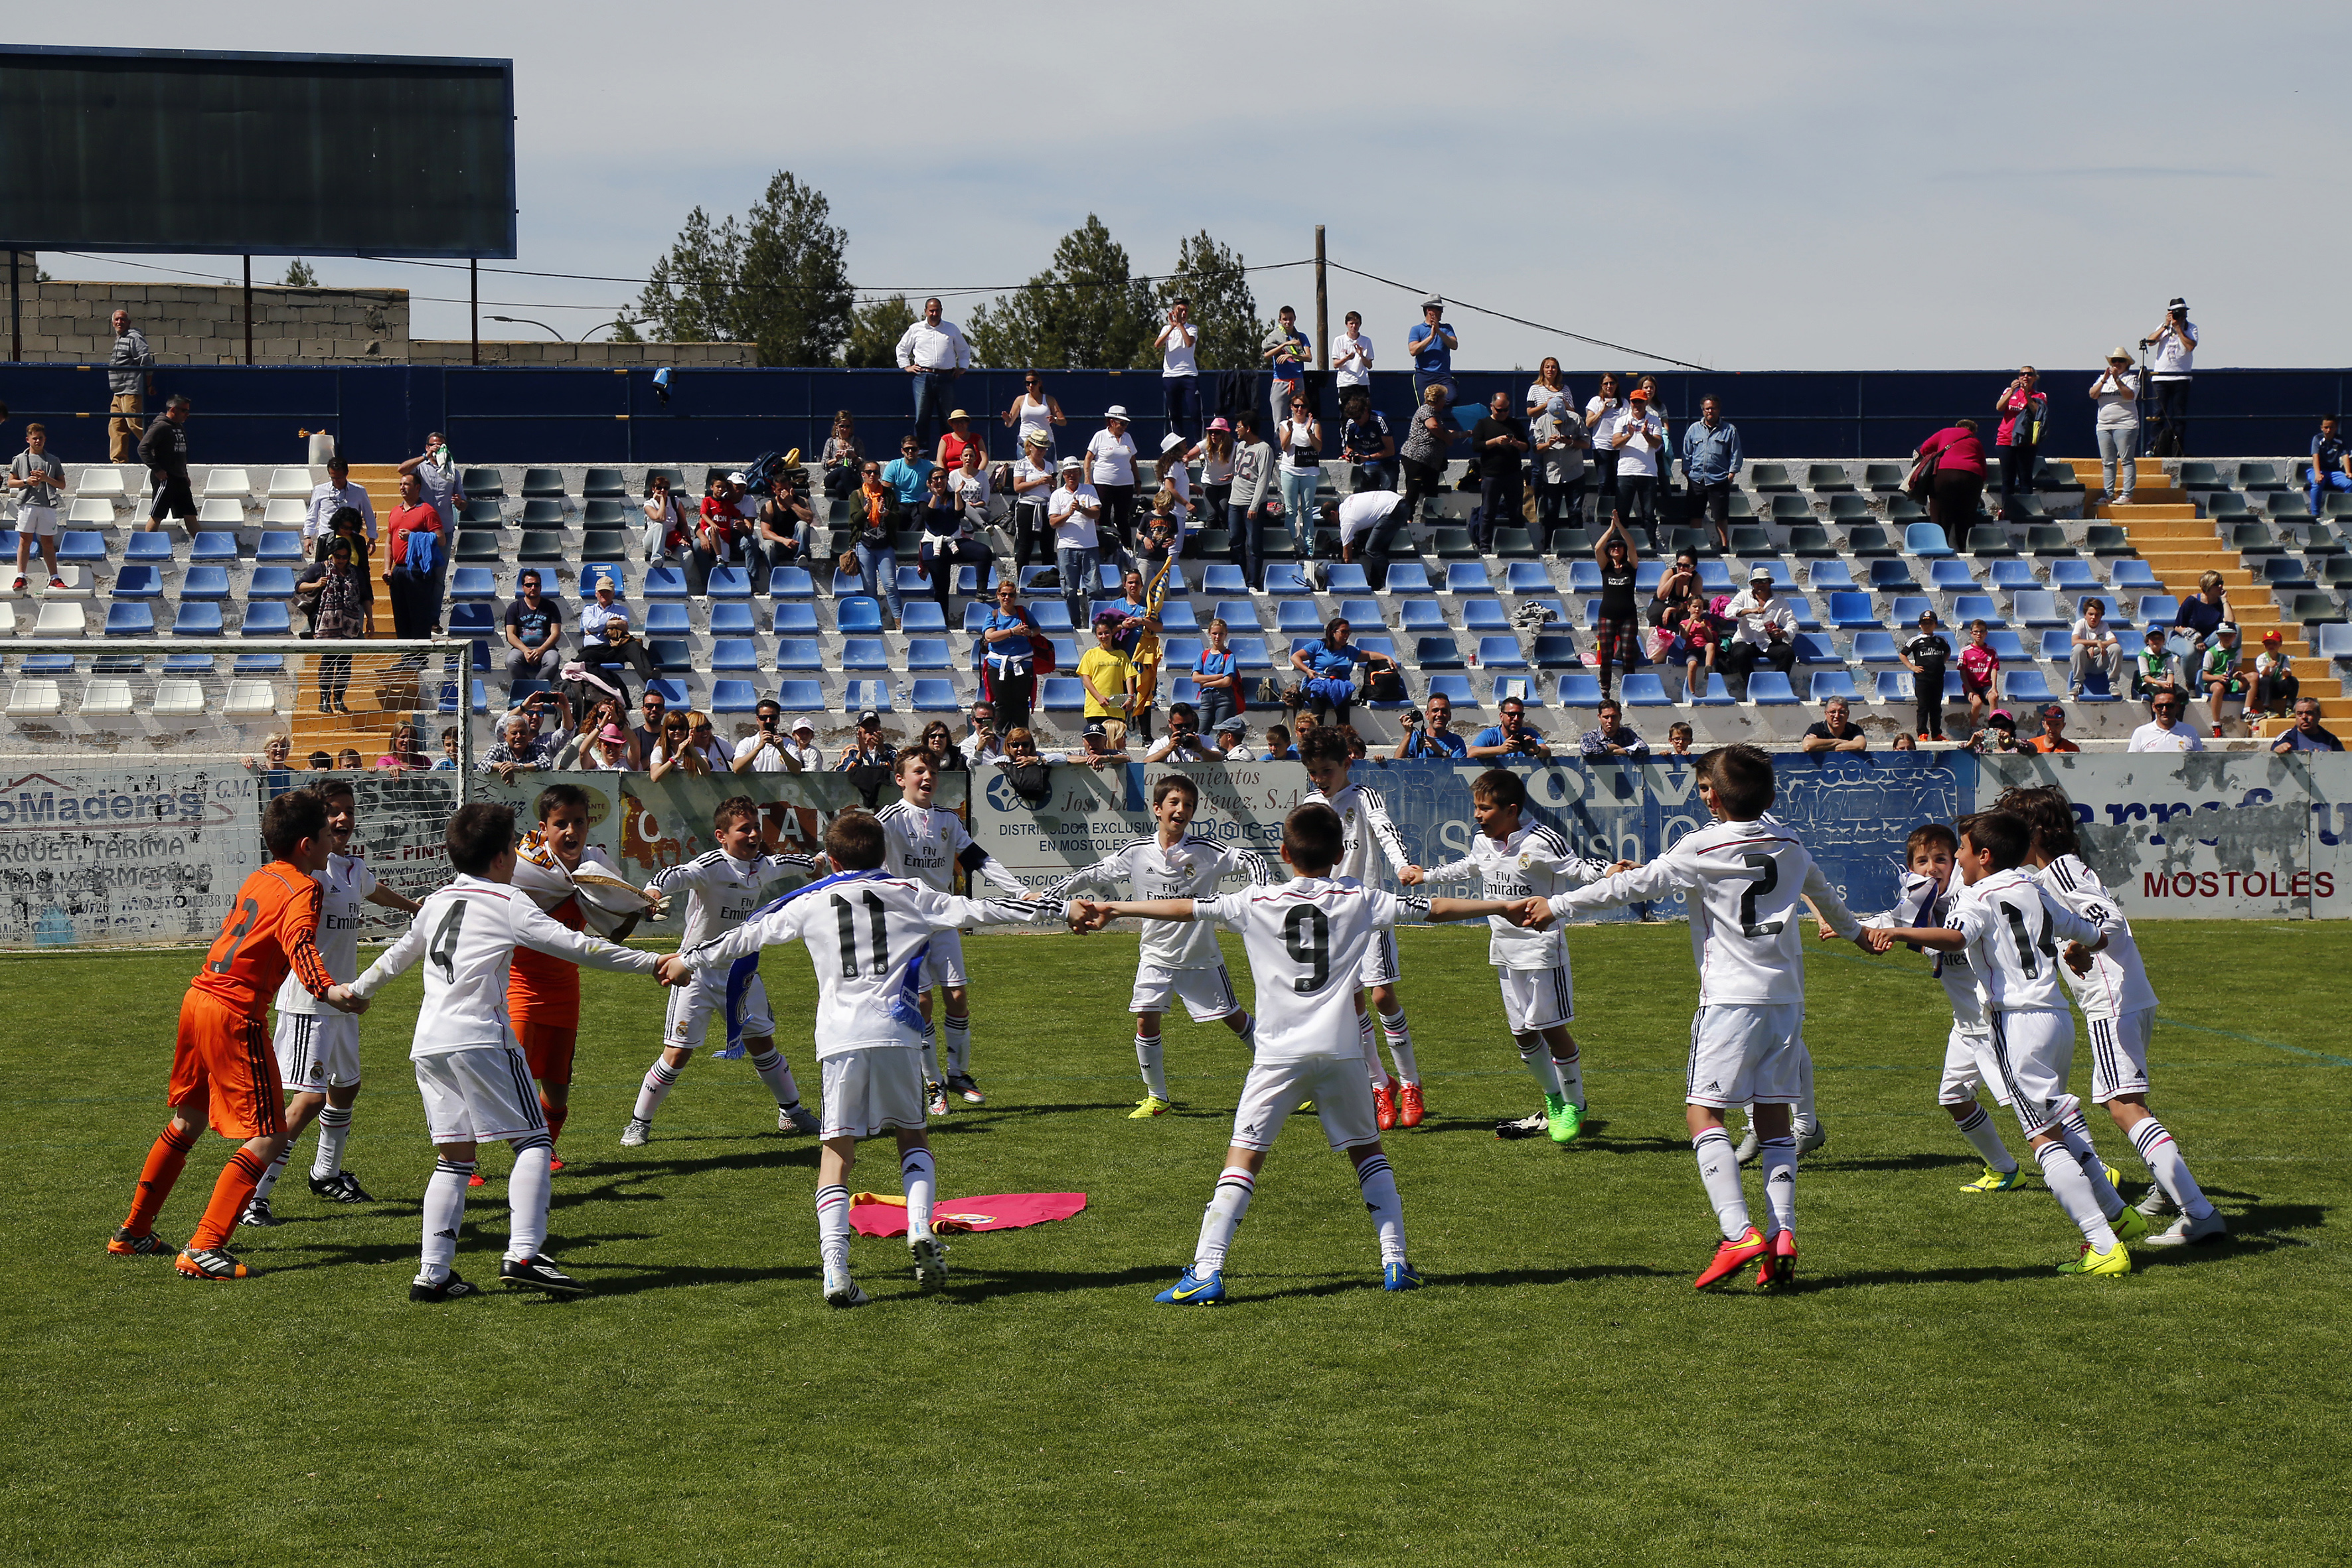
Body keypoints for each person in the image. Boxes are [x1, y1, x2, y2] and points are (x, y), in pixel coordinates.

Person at [1073, 802, 1520, 1303]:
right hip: (1342, 1054)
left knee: (1243, 1159)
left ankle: (1207, 1270)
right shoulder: (1360, 898)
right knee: (1368, 1152)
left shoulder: (1255, 900)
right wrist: (1500, 906)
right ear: (1339, 854)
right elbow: (1433, 908)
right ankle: (1395, 1261)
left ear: (1284, 854)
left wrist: (1117, 909)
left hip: (1277, 1057)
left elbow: (1186, 907)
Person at [659, 811, 1060, 1307]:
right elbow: (984, 910)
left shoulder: (810, 900)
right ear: (883, 854)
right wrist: (1063, 909)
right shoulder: (911, 893)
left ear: (831, 860)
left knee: (837, 1154)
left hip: (839, 1038)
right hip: (897, 1033)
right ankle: (919, 1226)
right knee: (912, 1136)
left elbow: (748, 934)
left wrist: (687, 958)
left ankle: (836, 1268)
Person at [1531, 744, 1871, 1290]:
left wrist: (1557, 905)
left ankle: (1737, 1232)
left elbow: (1630, 886)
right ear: (1770, 796)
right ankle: (1781, 1233)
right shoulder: (1790, 844)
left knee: (1702, 1114)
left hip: (1730, 1001)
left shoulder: (1701, 844)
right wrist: (1859, 936)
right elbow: (1827, 898)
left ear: (1716, 798)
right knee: (1773, 1118)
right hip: (1785, 1001)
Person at [343, 803, 664, 1300]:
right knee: (533, 1143)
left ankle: (433, 1273)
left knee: (454, 1159)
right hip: (481, 1038)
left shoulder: (437, 900)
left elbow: (398, 954)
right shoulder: (508, 900)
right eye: (515, 847)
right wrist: (654, 963)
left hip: (429, 1044)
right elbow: (577, 946)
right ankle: (526, 1255)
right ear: (500, 858)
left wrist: (357, 990)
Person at [1867, 811, 2148, 1276]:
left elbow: (1955, 937)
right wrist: (2080, 949)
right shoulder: (2035, 888)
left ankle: (2102, 1245)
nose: (1956, 858)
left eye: (1960, 849)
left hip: (2016, 1023)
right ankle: (2118, 1215)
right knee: (2057, 1123)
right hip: (2058, 1018)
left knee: (2042, 1139)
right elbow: (2093, 934)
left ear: (1983, 855)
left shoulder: (1978, 895)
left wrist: (1898, 931)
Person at [108, 791, 361, 1279]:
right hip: (234, 1012)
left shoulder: (260, 875)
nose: (334, 839)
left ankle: (134, 1230)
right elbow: (301, 947)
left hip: (199, 997)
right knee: (271, 1134)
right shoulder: (304, 888)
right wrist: (331, 992)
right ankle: (205, 1246)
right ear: (307, 844)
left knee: (188, 1120)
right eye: (326, 832)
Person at [2003, 786, 2227, 1248]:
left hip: (2111, 999)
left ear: (2036, 833)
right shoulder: (2060, 871)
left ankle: (2199, 1213)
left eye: (2012, 828)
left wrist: (2080, 945)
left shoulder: (2060, 873)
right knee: (2126, 1101)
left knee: (2123, 1106)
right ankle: (2166, 1191)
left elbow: (2107, 919)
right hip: (2128, 996)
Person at [232, 782, 420, 1227]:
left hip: (342, 1000)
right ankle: (254, 1196)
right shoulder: (307, 874)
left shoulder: (352, 868)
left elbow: (374, 890)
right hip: (308, 1003)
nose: (343, 819)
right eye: (334, 811)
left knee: (346, 1087)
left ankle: (326, 1173)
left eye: (349, 811)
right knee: (307, 1100)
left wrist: (416, 907)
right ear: (315, 823)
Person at [1405, 769, 1618, 1144]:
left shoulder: (1542, 840)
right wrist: (1428, 876)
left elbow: (1578, 868)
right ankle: (1554, 1098)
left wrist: (1612, 870)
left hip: (1542, 951)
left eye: (1485, 808)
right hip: (1504, 951)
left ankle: (1575, 1104)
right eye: (1476, 807)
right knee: (1522, 1035)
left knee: (1552, 1030)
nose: (1477, 815)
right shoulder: (1482, 842)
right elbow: (1467, 867)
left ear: (1512, 810)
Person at [1049, 775, 1273, 1117]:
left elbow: (1253, 861)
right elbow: (1093, 873)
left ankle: (1288, 1077)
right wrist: (1049, 895)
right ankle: (1158, 1098)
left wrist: (1263, 898)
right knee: (1145, 1021)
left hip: (1200, 957)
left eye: (1189, 805)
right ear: (1157, 808)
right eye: (1174, 803)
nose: (1181, 810)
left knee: (1235, 1019)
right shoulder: (1138, 851)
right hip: (1155, 955)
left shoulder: (1206, 851)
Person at [620, 797, 822, 1148]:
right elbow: (674, 874)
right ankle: (639, 1123)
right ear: (722, 836)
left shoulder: (762, 866)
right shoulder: (712, 865)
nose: (754, 835)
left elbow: (795, 863)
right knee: (677, 1053)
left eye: (756, 827)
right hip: (694, 970)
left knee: (763, 1044)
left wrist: (819, 863)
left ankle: (791, 1112)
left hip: (741, 971)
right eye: (744, 829)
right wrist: (653, 891)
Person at [1842, 823, 2023, 1194]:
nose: (1931, 869)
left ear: (1956, 861)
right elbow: (1891, 920)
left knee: (2033, 1106)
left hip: (1997, 1021)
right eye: (1922, 861)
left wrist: (1893, 932)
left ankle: (2093, 1169)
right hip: (1967, 1025)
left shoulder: (1969, 896)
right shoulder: (1919, 901)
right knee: (1954, 1096)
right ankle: (2005, 1169)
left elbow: (1947, 937)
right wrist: (1846, 926)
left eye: (1941, 859)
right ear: (1910, 868)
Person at [493, 786, 654, 1188]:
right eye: (560, 823)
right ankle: (464, 1155)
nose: (570, 831)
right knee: (507, 1078)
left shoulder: (595, 866)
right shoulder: (524, 867)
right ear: (543, 827)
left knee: (558, 1085)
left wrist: (645, 903)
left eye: (578, 822)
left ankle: (543, 1150)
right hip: (520, 985)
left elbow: (620, 903)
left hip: (566, 988)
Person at [878, 751, 1034, 1112]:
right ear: (900, 779)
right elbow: (860, 844)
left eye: (932, 771)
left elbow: (979, 859)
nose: (927, 777)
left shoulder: (948, 819)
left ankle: (959, 1074)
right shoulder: (889, 818)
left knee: (958, 996)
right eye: (919, 771)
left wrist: (1021, 892)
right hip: (906, 924)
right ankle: (933, 1082)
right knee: (922, 1003)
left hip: (944, 917)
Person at [1298, 726, 1427, 1131]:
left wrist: (1402, 865)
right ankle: (1379, 1085)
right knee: (1352, 1005)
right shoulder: (1310, 804)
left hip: (1368, 910)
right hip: (1331, 916)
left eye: (1327, 770)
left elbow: (1386, 831)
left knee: (1382, 996)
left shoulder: (1363, 796)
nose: (1321, 779)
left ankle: (1411, 1083)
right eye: (1314, 771)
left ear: (1347, 764)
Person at [296, 535, 370, 714]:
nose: (341, 560)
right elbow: (299, 586)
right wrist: (316, 584)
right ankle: (324, 699)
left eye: (345, 557)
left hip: (349, 624)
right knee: (328, 660)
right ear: (332, 554)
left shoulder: (355, 572)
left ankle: (339, 698)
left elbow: (366, 597)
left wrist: (371, 621)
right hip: (327, 624)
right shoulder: (320, 568)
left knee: (345, 662)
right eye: (338, 556)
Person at [1290, 615, 1397, 728]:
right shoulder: (1318, 646)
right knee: (1320, 692)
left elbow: (1370, 655)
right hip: (1315, 687)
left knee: (1343, 690)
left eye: (1348, 632)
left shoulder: (1350, 651)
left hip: (1338, 687)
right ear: (1333, 632)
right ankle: (1316, 731)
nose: (1347, 635)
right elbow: (1295, 657)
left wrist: (1386, 657)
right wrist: (1307, 670)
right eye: (1343, 632)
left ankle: (1344, 732)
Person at [896, 297, 971, 449]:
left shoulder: (951, 328)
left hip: (946, 376)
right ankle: (921, 452)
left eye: (937, 310)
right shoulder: (916, 329)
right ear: (926, 311)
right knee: (922, 417)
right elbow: (901, 348)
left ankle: (949, 450)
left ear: (941, 311)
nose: (934, 314)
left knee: (948, 418)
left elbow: (964, 350)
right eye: (931, 311)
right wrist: (906, 366)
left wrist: (962, 367)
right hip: (923, 377)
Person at [915, 469, 988, 623]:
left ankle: (981, 592)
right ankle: (942, 622)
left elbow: (959, 514)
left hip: (954, 542)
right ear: (929, 482)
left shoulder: (952, 496)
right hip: (933, 545)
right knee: (942, 589)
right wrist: (935, 495)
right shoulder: (925, 497)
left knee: (984, 552)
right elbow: (928, 515)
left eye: (942, 478)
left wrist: (957, 494)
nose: (939, 481)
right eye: (935, 479)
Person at [380, 471, 443, 641]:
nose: (402, 488)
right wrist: (387, 568)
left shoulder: (427, 511)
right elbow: (389, 542)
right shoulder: (395, 511)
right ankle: (406, 653)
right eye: (401, 484)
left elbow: (441, 539)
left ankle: (420, 654)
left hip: (418, 570)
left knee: (419, 617)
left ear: (417, 488)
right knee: (401, 617)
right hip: (399, 570)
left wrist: (414, 537)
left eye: (407, 484)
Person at [1603, 386, 1668, 552]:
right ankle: (1620, 546)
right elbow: (1615, 444)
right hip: (1626, 472)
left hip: (1648, 473)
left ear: (1646, 403)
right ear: (1631, 403)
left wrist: (1646, 434)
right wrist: (1629, 435)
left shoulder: (1654, 420)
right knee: (1622, 514)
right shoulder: (1622, 420)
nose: (1637, 405)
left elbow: (1657, 444)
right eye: (1634, 402)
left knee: (1649, 514)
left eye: (1640, 402)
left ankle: (1650, 545)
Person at [1395, 384, 1462, 540]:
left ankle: (1432, 517)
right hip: (1416, 458)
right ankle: (1407, 518)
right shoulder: (1426, 410)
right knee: (1413, 489)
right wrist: (1447, 439)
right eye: (1444, 398)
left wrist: (1463, 434)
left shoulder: (1437, 415)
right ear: (1437, 399)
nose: (1445, 401)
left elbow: (1444, 430)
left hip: (1432, 462)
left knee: (1432, 489)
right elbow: (1433, 426)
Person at [1721, 566, 1797, 700]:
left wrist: (1784, 633)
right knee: (1740, 653)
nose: (1760, 585)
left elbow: (1792, 622)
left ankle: (1778, 688)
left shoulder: (1780, 601)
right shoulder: (1743, 596)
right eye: (1757, 582)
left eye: (1764, 581)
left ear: (1770, 582)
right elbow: (1729, 612)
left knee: (1788, 653)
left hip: (1767, 642)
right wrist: (1750, 610)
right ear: (1752, 584)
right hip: (1745, 640)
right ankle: (1753, 688)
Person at [7, 422, 66, 592]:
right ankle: (21, 576)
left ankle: (54, 578)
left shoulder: (53, 460)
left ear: (45, 439)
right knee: (25, 540)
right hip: (27, 504)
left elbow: (62, 485)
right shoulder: (20, 459)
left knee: (48, 542)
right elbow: (11, 482)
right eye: (34, 438)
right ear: (28, 440)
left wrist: (46, 479)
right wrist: (26, 481)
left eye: (40, 438)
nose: (38, 441)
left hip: (47, 505)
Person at [1678, 396, 1743, 550]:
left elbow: (1736, 453)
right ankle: (1694, 546)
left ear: (1718, 410)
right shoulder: (1694, 429)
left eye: (1713, 408)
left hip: (1719, 480)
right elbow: (1686, 452)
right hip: (1697, 480)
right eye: (1707, 409)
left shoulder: (1730, 430)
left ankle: (1724, 546)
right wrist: (1687, 472)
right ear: (1703, 410)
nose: (1710, 411)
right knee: (1695, 515)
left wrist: (1731, 474)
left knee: (1721, 516)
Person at [1915, 417, 1989, 550]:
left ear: (1957, 426)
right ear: (1973, 431)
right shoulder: (1975, 441)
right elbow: (1983, 468)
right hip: (1971, 476)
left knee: (1940, 513)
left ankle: (1939, 548)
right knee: (1967, 516)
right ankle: (1965, 550)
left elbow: (1924, 449)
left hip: (1944, 473)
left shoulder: (1945, 432)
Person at [1469, 390, 1529, 552]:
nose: (1503, 413)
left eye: (1506, 410)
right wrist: (1495, 441)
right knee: (1488, 512)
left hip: (1513, 474)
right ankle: (1485, 546)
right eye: (1499, 410)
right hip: (1492, 475)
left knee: (1516, 512)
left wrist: (1516, 443)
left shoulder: (1514, 424)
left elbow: (1527, 447)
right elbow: (1476, 446)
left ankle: (1517, 546)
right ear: (1492, 407)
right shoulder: (1483, 424)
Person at [1593, 516, 1644, 704]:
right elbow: (1597, 549)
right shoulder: (1605, 567)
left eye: (1619, 546)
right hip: (1607, 615)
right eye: (1613, 546)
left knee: (1628, 654)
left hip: (1628, 616)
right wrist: (1610, 529)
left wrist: (1620, 526)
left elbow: (1632, 545)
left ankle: (1629, 688)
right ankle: (1605, 689)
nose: (1616, 548)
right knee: (1606, 653)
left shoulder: (1631, 567)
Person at [1529, 390, 1588, 555]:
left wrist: (1571, 442)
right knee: (1551, 513)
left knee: (1575, 512)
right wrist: (1548, 444)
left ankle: (1578, 546)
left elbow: (1587, 443)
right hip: (1552, 474)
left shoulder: (1576, 419)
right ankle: (1549, 546)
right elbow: (1537, 449)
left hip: (1574, 473)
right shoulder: (1541, 422)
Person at [980, 581, 1043, 734]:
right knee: (1002, 704)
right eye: (1004, 594)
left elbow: (1037, 629)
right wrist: (1012, 632)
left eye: (1011, 595)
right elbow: (990, 636)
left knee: (1021, 704)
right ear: (998, 596)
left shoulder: (1023, 612)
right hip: (998, 665)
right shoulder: (993, 615)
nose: (1007, 598)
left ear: (1015, 597)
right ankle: (1001, 738)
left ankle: (1021, 738)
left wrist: (1030, 633)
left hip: (1023, 664)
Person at [2142, 296, 2197, 457]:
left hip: (2181, 377)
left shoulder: (2191, 328)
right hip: (2161, 378)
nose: (2180, 316)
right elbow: (2150, 341)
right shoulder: (2163, 327)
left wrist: (2179, 329)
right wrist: (2166, 326)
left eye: (2182, 312)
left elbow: (2191, 346)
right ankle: (2153, 448)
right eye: (2176, 313)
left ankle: (2177, 449)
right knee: (2157, 415)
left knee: (2179, 416)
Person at [1991, 366, 2047, 523]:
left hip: (2026, 442)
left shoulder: (2040, 395)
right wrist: (2012, 391)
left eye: (2029, 374)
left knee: (2025, 479)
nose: (2026, 377)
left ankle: (2026, 512)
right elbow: (1999, 407)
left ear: (2035, 378)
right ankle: (2007, 511)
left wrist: (2027, 395)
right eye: (2023, 374)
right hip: (2006, 440)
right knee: (2007, 479)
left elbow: (2037, 412)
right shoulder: (2009, 391)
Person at [1079, 612, 1140, 752]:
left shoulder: (1121, 655)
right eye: (1100, 634)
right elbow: (1086, 679)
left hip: (1116, 708)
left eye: (1107, 633)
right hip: (1095, 708)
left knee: (1115, 744)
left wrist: (1130, 698)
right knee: (1097, 745)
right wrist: (1099, 697)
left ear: (1112, 633)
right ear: (1096, 636)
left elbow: (1129, 677)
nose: (1104, 636)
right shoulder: (1090, 654)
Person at [139, 394, 198, 533]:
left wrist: (184, 473)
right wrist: (157, 470)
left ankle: (203, 544)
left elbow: (181, 453)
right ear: (173, 410)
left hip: (180, 478)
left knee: (190, 515)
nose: (187, 414)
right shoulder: (161, 426)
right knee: (157, 515)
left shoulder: (179, 427)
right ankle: (148, 544)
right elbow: (143, 448)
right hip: (165, 478)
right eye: (184, 411)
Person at [1087, 406, 1140, 556]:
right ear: (1111, 422)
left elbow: (1133, 461)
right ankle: (1103, 549)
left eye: (1126, 424)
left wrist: (1138, 481)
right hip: (1103, 483)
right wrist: (1087, 479)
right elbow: (1088, 459)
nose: (1124, 427)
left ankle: (1126, 551)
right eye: (1121, 423)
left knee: (1123, 518)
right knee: (1103, 517)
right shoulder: (1100, 436)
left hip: (1125, 484)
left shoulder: (1128, 437)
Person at [2091, 350, 2141, 506]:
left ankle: (2127, 495)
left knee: (2126, 460)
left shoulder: (2132, 379)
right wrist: (2104, 380)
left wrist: (2117, 380)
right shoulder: (2103, 378)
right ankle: (2108, 494)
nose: (2117, 364)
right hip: (2104, 425)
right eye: (2114, 361)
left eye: (2120, 360)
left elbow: (2129, 395)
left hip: (2125, 424)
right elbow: (2093, 394)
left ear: (2127, 364)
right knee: (2108, 462)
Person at [501, 570, 560, 696]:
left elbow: (555, 633)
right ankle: (527, 689)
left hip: (546, 648)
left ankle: (536, 689)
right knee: (511, 661)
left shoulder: (551, 606)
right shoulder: (514, 608)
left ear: (540, 587)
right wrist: (526, 651)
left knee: (553, 661)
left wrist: (541, 650)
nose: (533, 588)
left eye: (536, 585)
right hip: (521, 648)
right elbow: (510, 635)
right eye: (529, 585)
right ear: (523, 587)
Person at [1275, 392, 1322, 550]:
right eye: (1296, 406)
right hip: (1290, 470)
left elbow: (1318, 447)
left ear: (1307, 408)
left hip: (1309, 472)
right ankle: (1290, 544)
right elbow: (1284, 447)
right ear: (1291, 407)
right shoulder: (1284, 424)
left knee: (1307, 511)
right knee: (1291, 510)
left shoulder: (1314, 424)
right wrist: (1290, 431)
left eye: (1303, 406)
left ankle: (1309, 545)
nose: (1299, 409)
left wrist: (1309, 431)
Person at [108, 307, 155, 463]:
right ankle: (118, 461)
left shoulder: (134, 337)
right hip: (118, 391)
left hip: (131, 390)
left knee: (135, 425)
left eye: (123, 319)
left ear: (129, 322)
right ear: (112, 323)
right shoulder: (120, 338)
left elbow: (146, 361)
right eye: (116, 319)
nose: (119, 322)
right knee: (116, 428)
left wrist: (148, 385)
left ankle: (158, 452)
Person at [397, 431, 465, 539]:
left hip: (444, 528)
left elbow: (463, 505)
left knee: (442, 551)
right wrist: (425, 456)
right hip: (420, 527)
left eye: (442, 446)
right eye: (434, 445)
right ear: (427, 447)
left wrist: (459, 502)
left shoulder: (452, 472)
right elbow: (401, 469)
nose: (438, 448)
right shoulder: (419, 467)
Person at [1008, 428, 1058, 571]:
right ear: (1030, 446)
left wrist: (1052, 485)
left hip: (1045, 506)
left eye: (1044, 448)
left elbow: (1051, 489)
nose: (1041, 451)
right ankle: (1022, 577)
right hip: (1027, 506)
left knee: (1048, 546)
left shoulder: (1049, 465)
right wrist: (1039, 482)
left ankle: (1049, 578)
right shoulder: (1022, 464)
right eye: (1039, 448)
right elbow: (1018, 487)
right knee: (1026, 546)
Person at [754, 471, 811, 592]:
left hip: (797, 543)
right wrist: (784, 540)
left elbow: (809, 519)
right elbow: (765, 533)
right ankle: (774, 579)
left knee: (802, 524)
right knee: (767, 545)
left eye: (786, 489)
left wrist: (791, 503)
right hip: (780, 544)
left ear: (791, 487)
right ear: (774, 490)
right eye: (780, 490)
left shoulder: (801, 501)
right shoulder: (769, 506)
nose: (784, 493)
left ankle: (801, 559)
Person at [1261, 305, 1311, 437]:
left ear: (1295, 319)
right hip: (1280, 381)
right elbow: (1267, 355)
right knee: (1279, 420)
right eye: (1285, 319)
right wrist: (1284, 345)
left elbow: (1309, 357)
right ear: (1280, 320)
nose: (1288, 322)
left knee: (1299, 418)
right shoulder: (1274, 336)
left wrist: (1292, 355)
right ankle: (1280, 446)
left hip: (1297, 381)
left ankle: (1299, 443)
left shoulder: (1301, 337)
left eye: (1290, 319)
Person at [1156, 297, 1201, 441]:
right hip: (1170, 376)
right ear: (1174, 311)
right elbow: (1157, 345)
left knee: (1195, 412)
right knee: (1175, 415)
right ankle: (1179, 447)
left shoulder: (1192, 328)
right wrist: (1172, 327)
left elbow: (1189, 343)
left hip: (1189, 375)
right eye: (1181, 310)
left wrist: (1181, 325)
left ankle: (1200, 446)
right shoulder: (1166, 329)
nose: (1184, 313)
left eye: (1186, 310)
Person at [1192, 615, 1244, 735]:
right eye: (1214, 633)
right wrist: (1219, 676)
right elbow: (1195, 677)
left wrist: (1205, 684)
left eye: (1221, 634)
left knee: (1222, 734)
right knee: (1200, 733)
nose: (1217, 637)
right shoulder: (1204, 655)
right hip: (1206, 698)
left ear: (1226, 634)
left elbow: (1227, 682)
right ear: (1210, 634)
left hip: (1224, 698)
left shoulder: (1229, 656)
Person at [306, 457, 376, 545]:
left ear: (346, 473)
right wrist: (307, 536)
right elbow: (312, 514)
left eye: (339, 478)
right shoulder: (320, 490)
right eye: (333, 478)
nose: (336, 481)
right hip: (327, 540)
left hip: (351, 539)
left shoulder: (359, 491)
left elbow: (369, 515)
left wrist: (372, 538)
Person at [2067, 596, 2122, 700]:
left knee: (2116, 648)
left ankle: (2113, 684)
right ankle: (2078, 684)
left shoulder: (2104, 625)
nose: (2094, 618)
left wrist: (2096, 647)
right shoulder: (2081, 624)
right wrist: (2095, 643)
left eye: (2097, 615)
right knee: (2078, 648)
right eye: (2091, 614)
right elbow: (2074, 641)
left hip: (2099, 663)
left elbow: (2113, 640)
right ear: (2085, 615)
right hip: (2085, 663)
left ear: (2101, 616)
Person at [1406, 295, 1457, 404]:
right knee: (1426, 405)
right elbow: (1413, 351)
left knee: (1452, 398)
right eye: (1438, 309)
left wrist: (1439, 331)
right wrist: (1431, 337)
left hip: (1443, 375)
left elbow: (1454, 345)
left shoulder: (1447, 328)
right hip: (1424, 375)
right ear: (1429, 310)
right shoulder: (1417, 329)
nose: (1441, 312)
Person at [2197, 623, 2246, 736]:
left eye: (2230, 635)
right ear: (2218, 636)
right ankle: (2216, 724)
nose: (2227, 638)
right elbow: (2205, 676)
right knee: (2219, 688)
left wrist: (2237, 675)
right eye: (2224, 635)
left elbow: (2236, 669)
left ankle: (2247, 710)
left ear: (2235, 636)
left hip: (2230, 680)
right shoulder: (2211, 653)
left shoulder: (2237, 651)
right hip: (2213, 681)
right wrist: (2218, 677)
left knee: (2253, 677)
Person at [1469, 694, 1552, 760]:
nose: (1516, 719)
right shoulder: (1490, 734)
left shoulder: (1529, 733)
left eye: (1520, 715)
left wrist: (1537, 750)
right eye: (1512, 714)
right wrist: (1500, 750)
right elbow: (1471, 753)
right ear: (1501, 716)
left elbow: (1547, 752)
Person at [2172, 569, 2230, 663]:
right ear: (2208, 586)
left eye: (2221, 583)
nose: (2221, 586)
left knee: (2235, 629)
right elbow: (2178, 627)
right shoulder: (2191, 601)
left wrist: (2225, 601)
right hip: (2185, 638)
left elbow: (2230, 623)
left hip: (2207, 641)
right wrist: (2196, 638)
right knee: (2190, 652)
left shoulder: (2220, 603)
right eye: (2217, 584)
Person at [1004, 372, 1066, 457]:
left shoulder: (1049, 400)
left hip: (1045, 443)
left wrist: (1055, 420)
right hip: (1025, 442)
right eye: (1027, 383)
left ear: (1040, 383)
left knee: (1048, 466)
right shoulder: (1020, 400)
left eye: (1034, 383)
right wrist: (1008, 421)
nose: (1031, 386)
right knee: (1024, 466)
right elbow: (1009, 424)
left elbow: (1063, 421)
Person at [1392, 691, 1468, 759]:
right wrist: (1408, 733)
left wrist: (1442, 752)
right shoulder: (1415, 738)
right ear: (1427, 715)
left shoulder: (1457, 742)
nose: (1439, 714)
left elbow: (1458, 769)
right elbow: (1397, 762)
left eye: (1444, 711)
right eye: (1435, 710)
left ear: (1449, 716)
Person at [1956, 617, 1999, 734]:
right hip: (1971, 687)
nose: (1979, 634)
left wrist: (1994, 687)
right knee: (1977, 703)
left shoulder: (1992, 651)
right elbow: (1963, 672)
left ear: (1986, 633)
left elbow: (1994, 669)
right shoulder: (1965, 651)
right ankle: (1973, 729)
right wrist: (1970, 690)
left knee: (1994, 697)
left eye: (1981, 631)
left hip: (1986, 686)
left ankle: (1993, 730)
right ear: (1971, 633)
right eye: (1976, 632)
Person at [2128, 690, 2205, 752]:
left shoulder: (2190, 731)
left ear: (2178, 707)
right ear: (2154, 707)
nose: (2165, 710)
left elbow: (2200, 761)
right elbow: (2132, 762)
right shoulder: (2141, 733)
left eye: (2170, 706)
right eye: (2160, 706)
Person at [2306, 414, 2352, 517]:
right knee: (2318, 483)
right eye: (2326, 427)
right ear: (2321, 428)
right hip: (2318, 470)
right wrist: (2318, 474)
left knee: (2349, 484)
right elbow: (2315, 457)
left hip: (2334, 472)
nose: (2329, 430)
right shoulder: (2317, 439)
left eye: (2331, 427)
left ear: (2336, 428)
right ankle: (2315, 514)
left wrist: (2348, 472)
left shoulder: (2340, 440)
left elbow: (2345, 456)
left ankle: (2344, 512)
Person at [642, 471, 691, 564]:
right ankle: (657, 559)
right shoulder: (648, 504)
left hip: (671, 540)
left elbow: (684, 524)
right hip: (653, 541)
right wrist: (662, 500)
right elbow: (661, 518)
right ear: (653, 489)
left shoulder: (675, 502)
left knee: (688, 555)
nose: (663, 490)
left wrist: (684, 538)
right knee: (660, 525)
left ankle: (682, 574)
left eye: (666, 488)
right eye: (659, 488)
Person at [1144, 703, 1218, 763]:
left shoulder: (1204, 740)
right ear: (1170, 723)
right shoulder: (1162, 743)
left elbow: (1219, 757)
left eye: (1188, 725)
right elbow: (1147, 763)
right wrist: (1169, 749)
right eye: (1178, 726)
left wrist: (1201, 750)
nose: (1184, 729)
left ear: (1193, 722)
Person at [1580, 698, 1650, 758]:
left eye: (1614, 717)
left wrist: (1618, 752)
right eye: (1606, 717)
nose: (1610, 721)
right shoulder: (1591, 736)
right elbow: (1587, 751)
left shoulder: (1627, 733)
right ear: (1599, 717)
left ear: (1620, 716)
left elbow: (1644, 748)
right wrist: (1612, 746)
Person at [1333, 310, 1375, 406]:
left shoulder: (1366, 341)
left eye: (1357, 324)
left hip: (1361, 383)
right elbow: (1335, 364)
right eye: (1351, 323)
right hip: (1345, 383)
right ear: (1346, 324)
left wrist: (1361, 355)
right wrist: (1347, 358)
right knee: (1346, 412)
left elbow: (1369, 365)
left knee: (1363, 411)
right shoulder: (1339, 340)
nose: (1354, 326)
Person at [819, 410, 865, 499]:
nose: (845, 429)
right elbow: (824, 464)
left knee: (840, 486)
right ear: (836, 426)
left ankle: (847, 505)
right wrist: (836, 460)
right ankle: (854, 499)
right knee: (844, 469)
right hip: (833, 476)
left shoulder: (857, 442)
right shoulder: (831, 442)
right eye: (842, 426)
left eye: (847, 426)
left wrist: (854, 457)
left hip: (852, 476)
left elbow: (863, 465)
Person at [2272, 697, 2343, 752]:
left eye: (2309, 713)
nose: (2304, 717)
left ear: (2319, 715)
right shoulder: (2286, 738)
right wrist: (2277, 750)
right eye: (2300, 714)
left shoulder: (2332, 740)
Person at [2134, 627, 2183, 707]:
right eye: (2153, 639)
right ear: (2147, 641)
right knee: (2158, 695)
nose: (2156, 641)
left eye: (2159, 639)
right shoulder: (2143, 655)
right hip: (2150, 684)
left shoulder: (2167, 654)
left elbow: (2170, 673)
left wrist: (2169, 684)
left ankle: (2177, 715)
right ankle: (2157, 714)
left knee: (2182, 694)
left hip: (2164, 683)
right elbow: (2146, 677)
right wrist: (2159, 683)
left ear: (2163, 641)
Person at [1801, 698, 1868, 753]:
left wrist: (1823, 747)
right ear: (1826, 714)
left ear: (1848, 714)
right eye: (1833, 712)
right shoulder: (1817, 728)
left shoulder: (1854, 729)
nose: (1837, 716)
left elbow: (1860, 745)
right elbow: (1807, 746)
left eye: (1841, 712)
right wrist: (1838, 741)